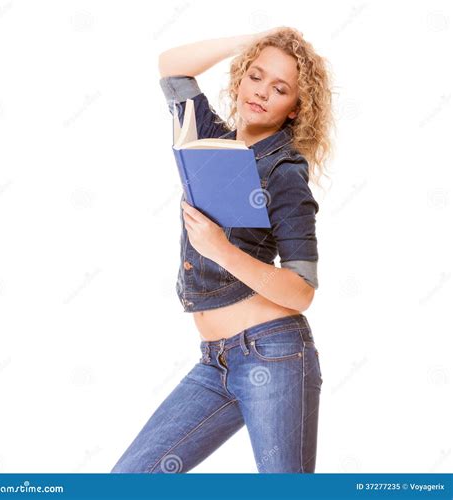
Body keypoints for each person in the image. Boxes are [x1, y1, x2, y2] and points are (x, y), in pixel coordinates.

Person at [111, 26, 334, 473]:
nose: (262, 92)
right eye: (255, 75)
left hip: (275, 353)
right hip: (215, 362)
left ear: (294, 109)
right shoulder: (211, 139)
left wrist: (221, 250)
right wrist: (251, 41)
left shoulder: (284, 172)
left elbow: (302, 289)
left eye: (280, 88)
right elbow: (172, 68)